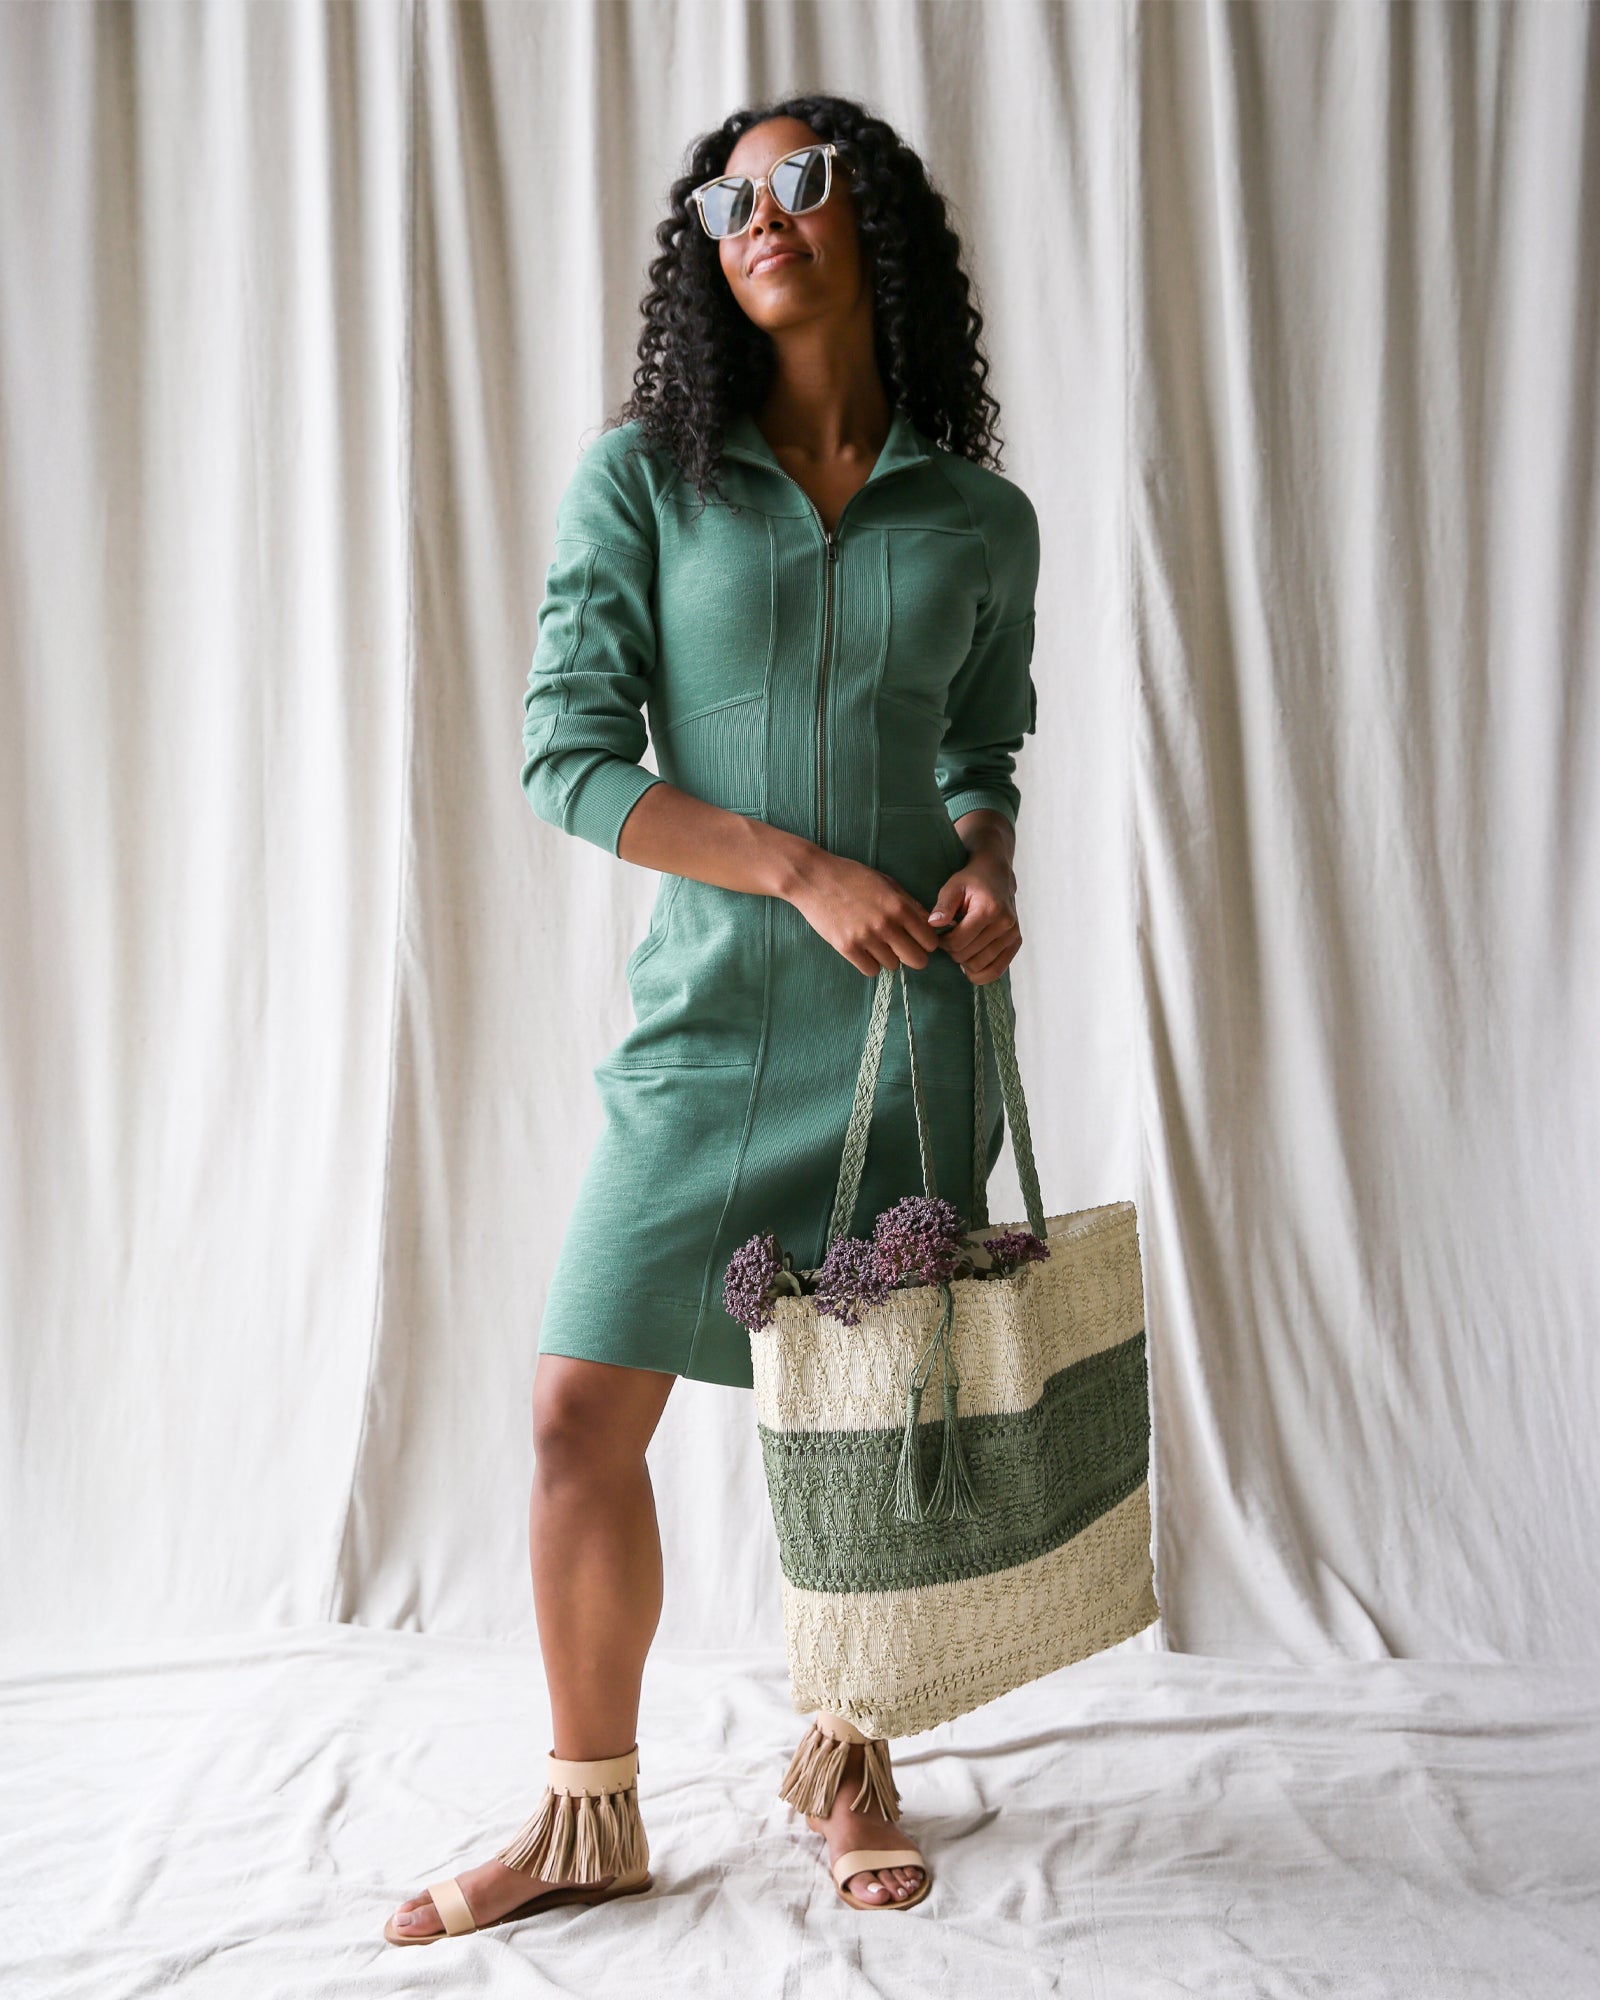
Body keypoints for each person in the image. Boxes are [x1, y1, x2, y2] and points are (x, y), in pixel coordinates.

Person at [386, 90, 1040, 1945]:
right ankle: (588, 1814)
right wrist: (796, 869)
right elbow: (568, 755)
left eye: (799, 184)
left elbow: (981, 750)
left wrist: (987, 865)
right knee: (576, 1411)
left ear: (872, 221)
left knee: (869, 1436)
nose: (758, 216)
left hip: (908, 1029)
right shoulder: (645, 483)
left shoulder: (983, 516)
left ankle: (848, 1767)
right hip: (706, 1031)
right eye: (725, 198)